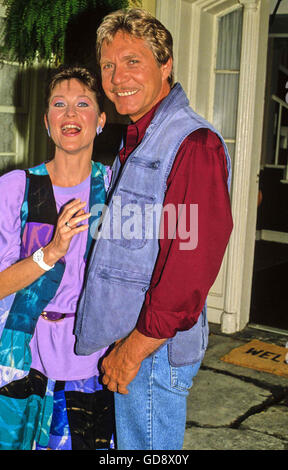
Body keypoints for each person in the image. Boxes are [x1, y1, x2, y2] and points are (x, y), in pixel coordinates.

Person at [75, 8, 233, 450]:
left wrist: (133, 350)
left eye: (132, 61)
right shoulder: (137, 140)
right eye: (108, 64)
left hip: (152, 349)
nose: (116, 76)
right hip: (133, 340)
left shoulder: (192, 143)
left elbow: (188, 269)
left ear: (166, 66)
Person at [0, 65, 115, 450]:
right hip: (21, 356)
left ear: (100, 120)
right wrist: (49, 254)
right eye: (59, 105)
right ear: (47, 121)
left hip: (94, 359)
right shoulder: (16, 189)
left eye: (82, 104)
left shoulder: (116, 188)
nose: (70, 114)